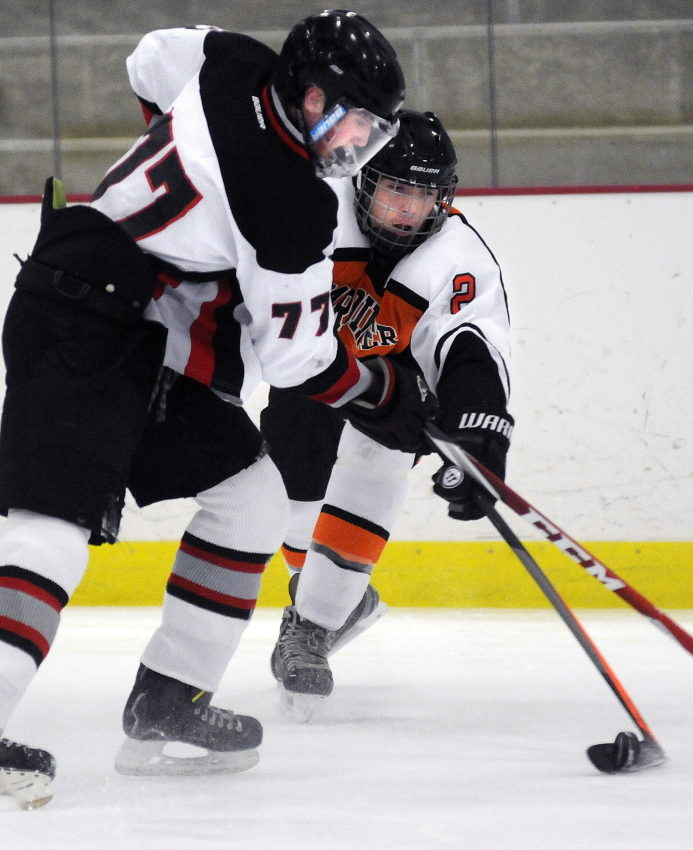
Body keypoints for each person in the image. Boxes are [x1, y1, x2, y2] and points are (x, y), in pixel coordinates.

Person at [0, 11, 437, 810]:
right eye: (342, 115)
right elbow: (296, 360)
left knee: (251, 498)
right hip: (83, 312)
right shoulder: (289, 204)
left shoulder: (230, 61)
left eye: (368, 127)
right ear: (304, 91)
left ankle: (168, 703)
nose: (350, 141)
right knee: (55, 523)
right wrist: (386, 393)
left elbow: (149, 58)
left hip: (143, 328)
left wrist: (182, 162)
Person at [261, 110, 513, 719]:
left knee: (379, 454)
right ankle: (327, 594)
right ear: (366, 180)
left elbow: (472, 351)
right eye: (397, 189)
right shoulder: (317, 207)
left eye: (425, 194)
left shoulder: (459, 258)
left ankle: (315, 623)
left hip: (397, 380)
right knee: (294, 460)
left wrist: (479, 437)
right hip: (315, 363)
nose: (409, 208)